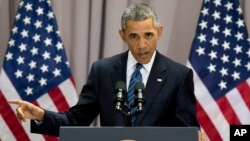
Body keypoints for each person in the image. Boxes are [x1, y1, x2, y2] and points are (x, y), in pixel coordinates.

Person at [9, 3, 199, 137]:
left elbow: (186, 131)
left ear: (159, 32)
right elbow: (76, 120)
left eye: (148, 35)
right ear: (122, 35)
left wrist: (194, 136)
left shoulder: (179, 76)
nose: (142, 45)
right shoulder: (103, 71)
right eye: (134, 36)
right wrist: (42, 116)